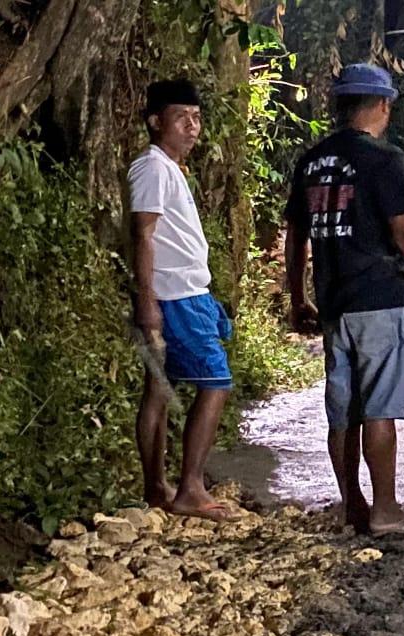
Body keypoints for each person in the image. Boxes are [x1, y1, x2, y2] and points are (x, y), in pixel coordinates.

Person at [285, 63, 404, 535]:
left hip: (334, 303)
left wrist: (298, 298)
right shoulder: (384, 159)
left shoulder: (312, 162)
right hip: (382, 300)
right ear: (382, 105)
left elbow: (296, 236)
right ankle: (386, 510)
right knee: (378, 410)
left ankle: (353, 505)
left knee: (344, 411)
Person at [129, 78, 233, 521]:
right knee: (216, 383)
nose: (193, 127)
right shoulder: (152, 167)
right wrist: (148, 300)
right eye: (181, 118)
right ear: (156, 122)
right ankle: (190, 487)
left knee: (158, 389)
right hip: (176, 298)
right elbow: (143, 234)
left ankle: (156, 488)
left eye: (197, 118)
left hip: (185, 295)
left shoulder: (167, 167)